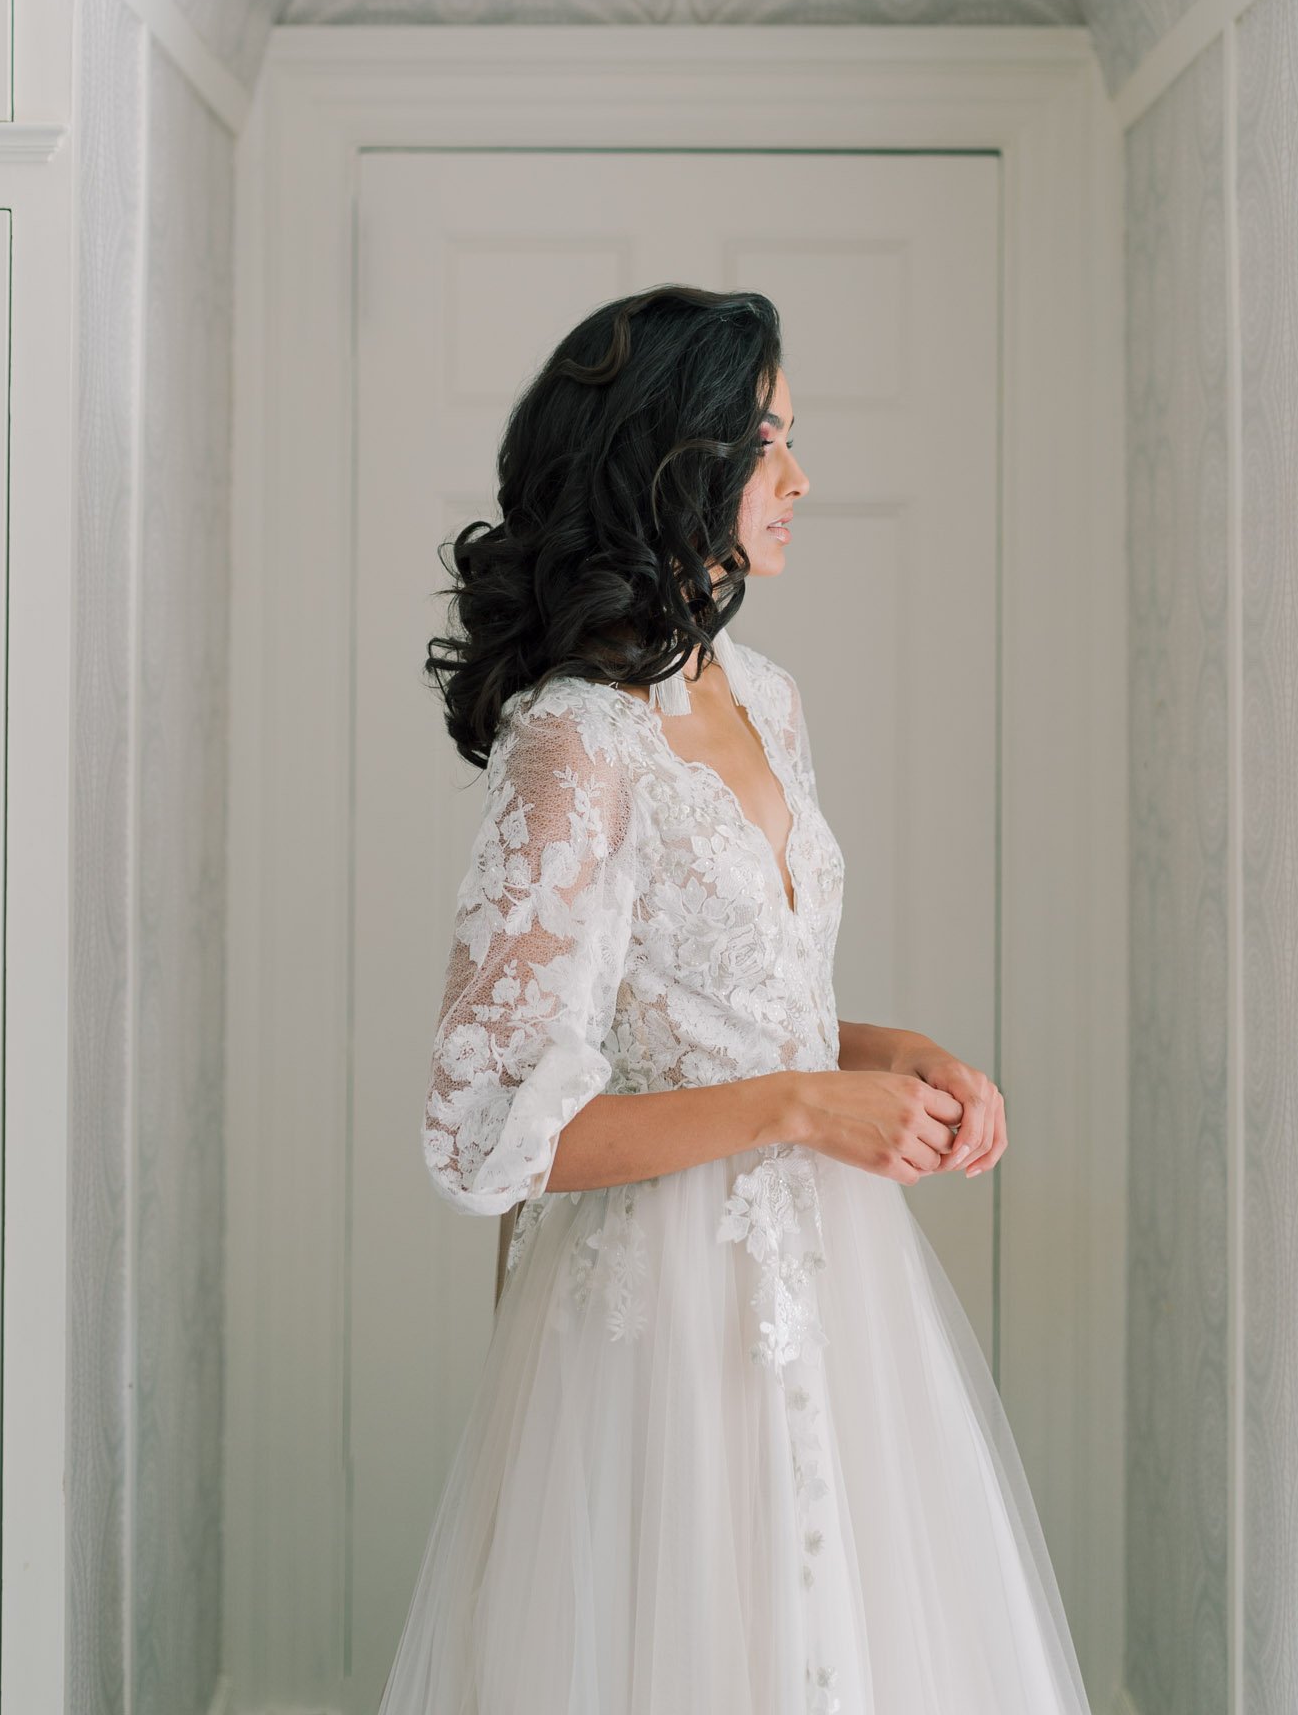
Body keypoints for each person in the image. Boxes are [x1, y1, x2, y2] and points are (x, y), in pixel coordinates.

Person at [379, 285, 1091, 1714]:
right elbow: (485, 1137)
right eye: (768, 441)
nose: (799, 476)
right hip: (660, 1311)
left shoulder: (762, 695)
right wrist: (800, 1105)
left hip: (836, 1282)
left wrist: (902, 1056)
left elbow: (741, 1005)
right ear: (673, 459)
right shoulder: (574, 744)